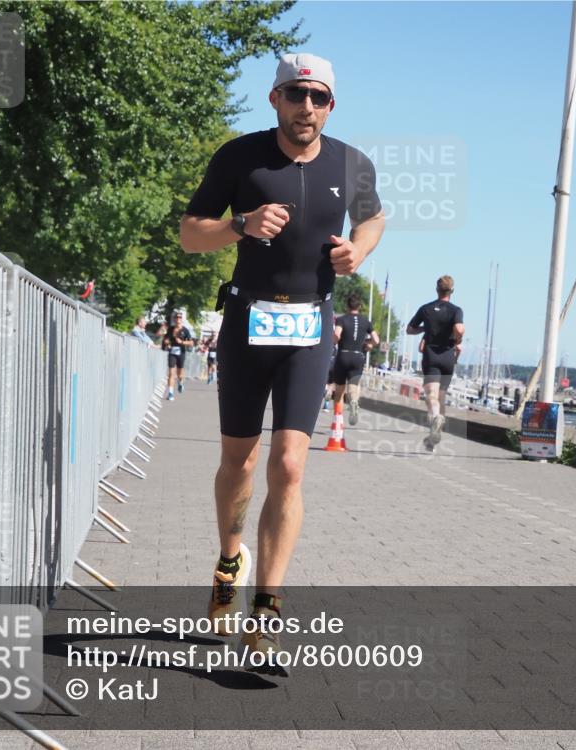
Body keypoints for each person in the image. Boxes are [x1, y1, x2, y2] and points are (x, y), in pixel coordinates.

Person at [179, 52, 384, 675]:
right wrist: (239, 224)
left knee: (290, 464)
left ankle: (265, 609)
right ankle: (228, 557)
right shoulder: (240, 157)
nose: (308, 107)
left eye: (320, 97)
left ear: (331, 106)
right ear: (275, 99)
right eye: (297, 94)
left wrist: (358, 250)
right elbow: (191, 232)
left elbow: (374, 217)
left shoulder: (351, 163)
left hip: (310, 327)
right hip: (247, 323)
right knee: (237, 460)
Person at [407, 275, 464, 452]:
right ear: (452, 291)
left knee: (431, 397)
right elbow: (459, 329)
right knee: (440, 397)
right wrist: (457, 339)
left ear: (437, 289)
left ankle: (436, 419)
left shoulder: (426, 309)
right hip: (447, 357)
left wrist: (425, 328)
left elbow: (410, 329)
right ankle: (433, 440)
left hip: (431, 355)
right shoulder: (456, 310)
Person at [332, 294, 379, 425]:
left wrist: (333, 343)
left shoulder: (341, 319)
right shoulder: (366, 321)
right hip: (358, 355)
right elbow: (376, 340)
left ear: (347, 306)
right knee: (353, 386)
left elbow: (337, 334)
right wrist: (367, 343)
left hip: (343, 355)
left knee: (339, 391)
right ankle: (353, 401)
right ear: (359, 306)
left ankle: (338, 421)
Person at [161, 311, 194, 400]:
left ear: (181, 319)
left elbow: (191, 342)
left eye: (180, 317)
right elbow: (166, 339)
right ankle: (170, 393)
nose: (178, 319)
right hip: (172, 352)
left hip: (181, 352)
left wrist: (182, 342)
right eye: (176, 317)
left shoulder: (185, 330)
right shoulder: (171, 329)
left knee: (180, 374)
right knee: (171, 373)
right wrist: (166, 341)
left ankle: (180, 382)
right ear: (174, 319)